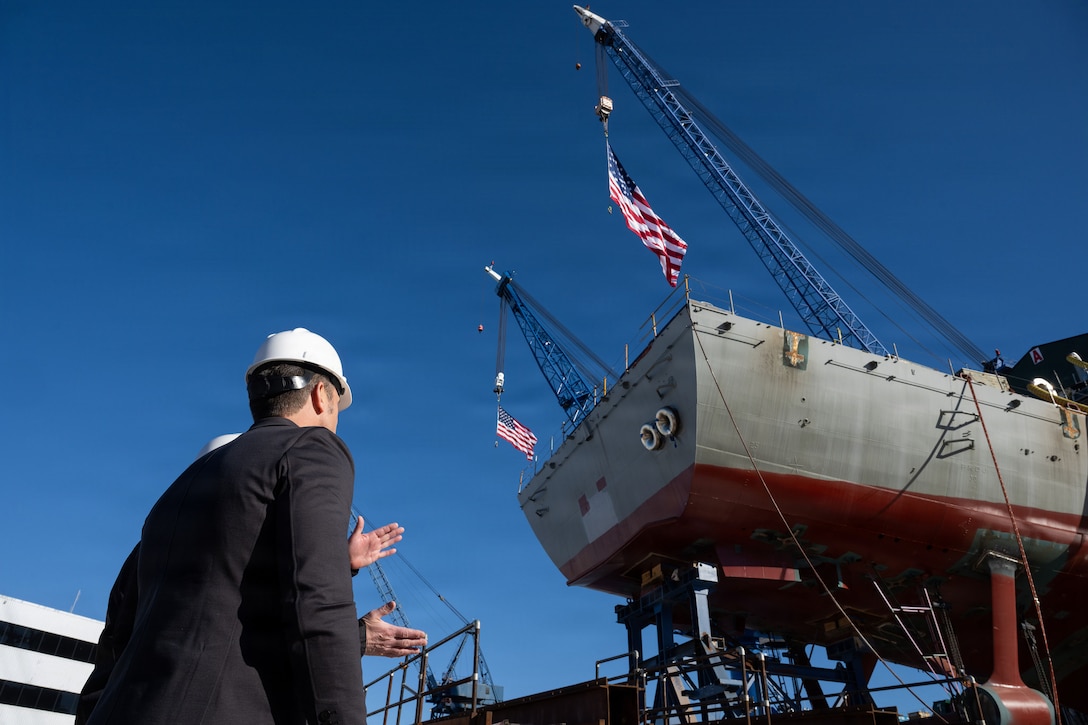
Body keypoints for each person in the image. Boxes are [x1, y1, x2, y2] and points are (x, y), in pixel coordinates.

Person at [85, 328, 425, 725]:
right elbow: (314, 607)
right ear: (320, 396)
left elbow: (216, 595)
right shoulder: (311, 448)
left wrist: (338, 562)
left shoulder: (175, 493)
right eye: (336, 409)